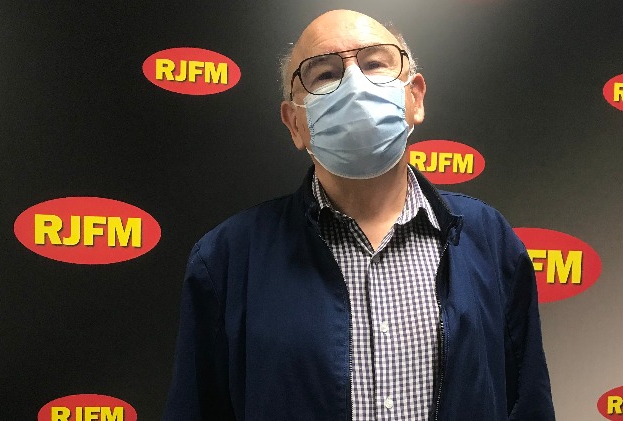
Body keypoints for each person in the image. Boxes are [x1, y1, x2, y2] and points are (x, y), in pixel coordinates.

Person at [164, 9, 555, 421]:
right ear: (294, 123)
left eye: (374, 64)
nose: (354, 85)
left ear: (415, 98)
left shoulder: (488, 238)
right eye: (324, 74)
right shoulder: (227, 259)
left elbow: (527, 402)